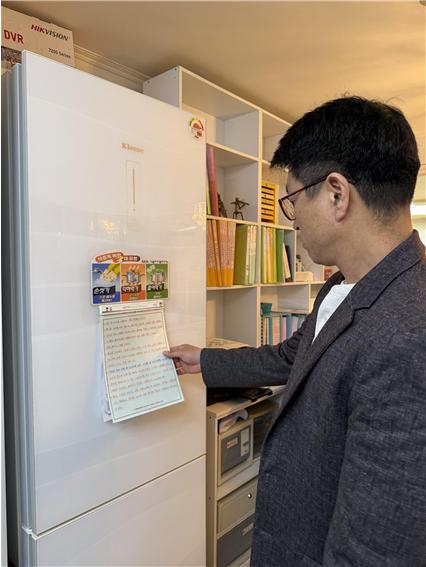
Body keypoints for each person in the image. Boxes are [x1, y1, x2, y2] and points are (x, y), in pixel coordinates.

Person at [164, 96, 426, 567]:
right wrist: (202, 359)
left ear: (336, 194)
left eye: (291, 199)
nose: (294, 218)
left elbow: (377, 547)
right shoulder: (342, 285)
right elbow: (291, 357)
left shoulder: (410, 332)